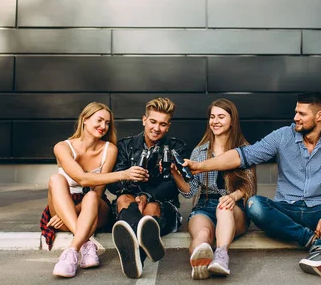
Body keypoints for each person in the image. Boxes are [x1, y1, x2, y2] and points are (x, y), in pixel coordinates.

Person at [184, 92, 321, 281]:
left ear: (319, 116)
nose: (295, 118)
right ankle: (311, 240)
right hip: (286, 209)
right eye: (296, 112)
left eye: (302, 114)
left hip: (320, 210)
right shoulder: (283, 136)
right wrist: (199, 166)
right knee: (255, 205)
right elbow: (243, 155)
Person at [40, 102, 149, 278]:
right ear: (84, 119)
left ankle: (72, 252)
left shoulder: (109, 149)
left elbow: (98, 192)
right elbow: (82, 178)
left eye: (107, 123)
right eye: (99, 120)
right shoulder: (62, 147)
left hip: (92, 207)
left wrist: (66, 215)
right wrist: (123, 174)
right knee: (56, 179)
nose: (103, 126)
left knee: (90, 195)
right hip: (63, 203)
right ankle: (86, 243)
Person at [173, 99, 256, 280]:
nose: (215, 121)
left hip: (233, 208)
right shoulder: (199, 152)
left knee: (223, 206)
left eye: (221, 117)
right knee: (203, 234)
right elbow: (189, 191)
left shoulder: (244, 150)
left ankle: (221, 256)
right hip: (204, 205)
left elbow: (248, 185)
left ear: (232, 120)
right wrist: (176, 174)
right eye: (212, 117)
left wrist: (233, 197)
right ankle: (199, 264)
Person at [107, 97, 189, 279]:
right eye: (153, 121)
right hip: (130, 200)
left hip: (164, 206)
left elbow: (173, 186)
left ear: (168, 126)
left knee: (151, 208)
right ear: (144, 120)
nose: (156, 128)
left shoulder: (177, 147)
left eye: (162, 124)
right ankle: (141, 248)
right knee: (122, 199)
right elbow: (113, 185)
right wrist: (128, 176)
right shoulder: (125, 146)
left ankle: (134, 254)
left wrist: (147, 195)